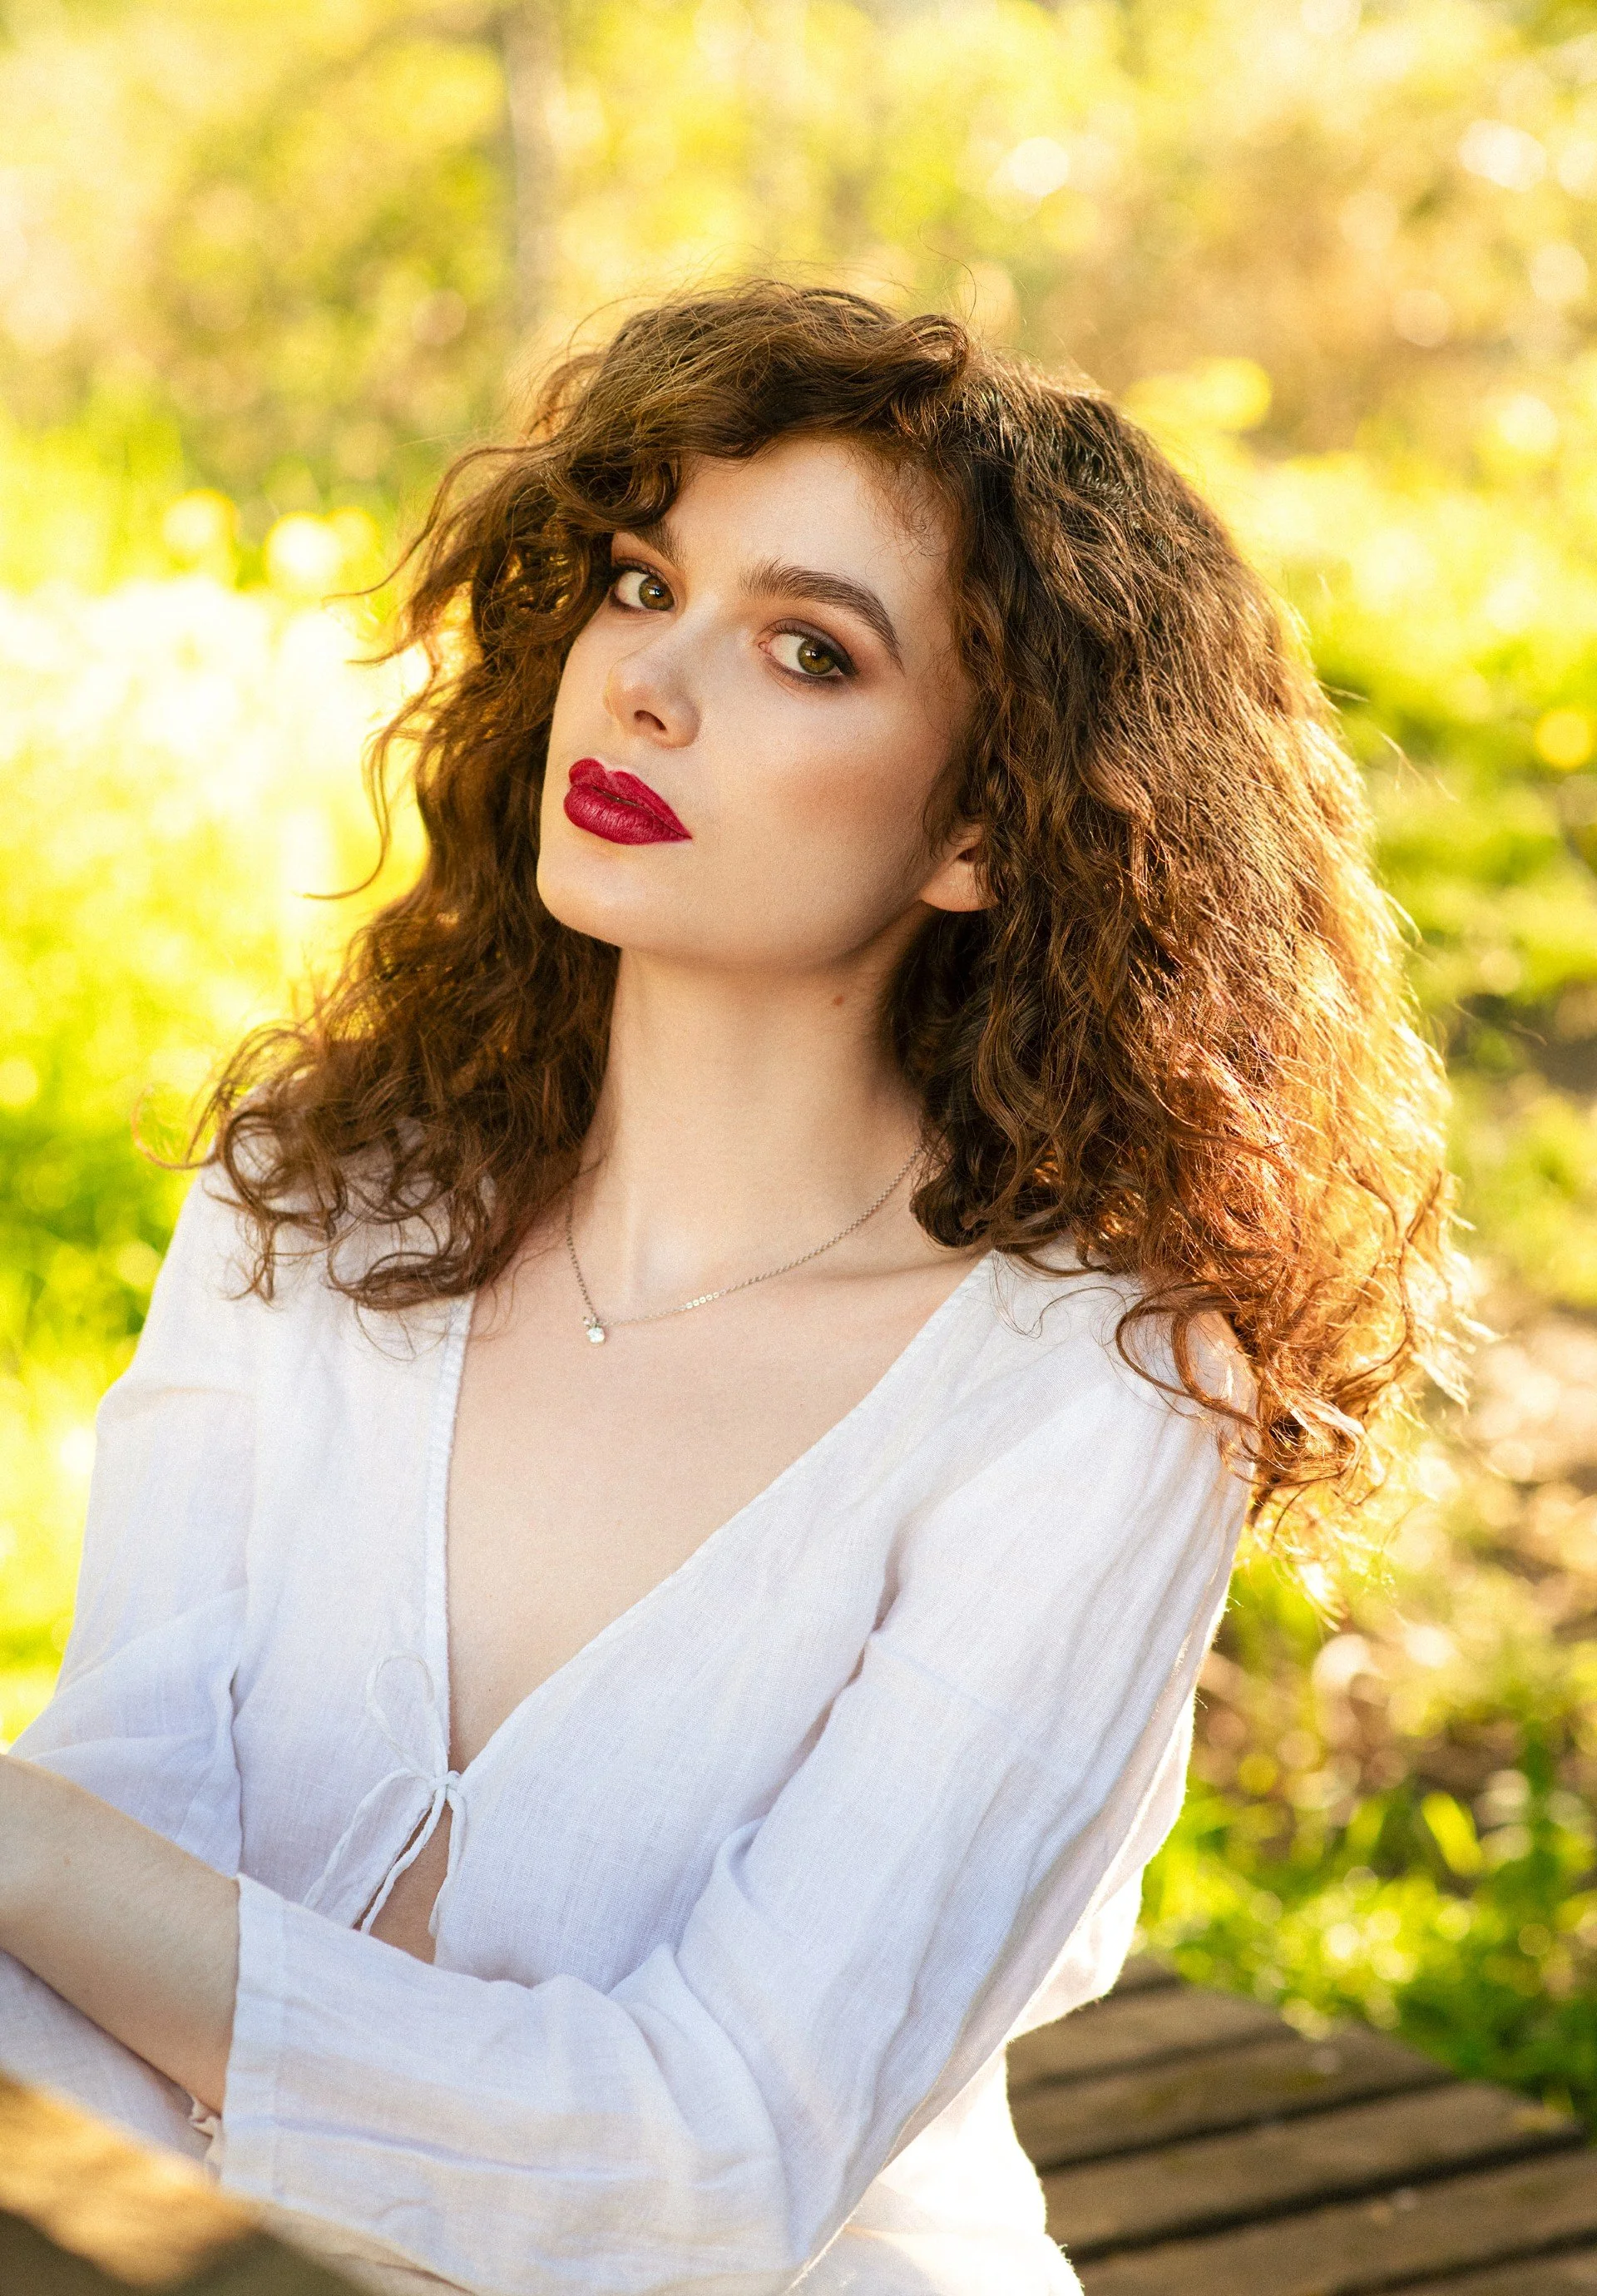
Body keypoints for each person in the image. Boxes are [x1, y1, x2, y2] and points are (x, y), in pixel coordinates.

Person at [0, 282, 1461, 2295]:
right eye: (637, 582)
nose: (648, 688)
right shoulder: (317, 1206)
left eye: (805, 648)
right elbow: (102, 1865)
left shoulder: (1096, 1394)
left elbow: (700, 2171)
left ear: (978, 821)